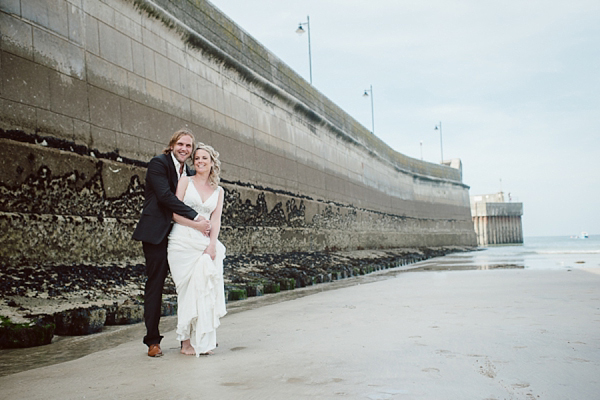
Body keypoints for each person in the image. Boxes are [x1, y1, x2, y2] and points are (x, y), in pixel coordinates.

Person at [132, 129, 211, 358]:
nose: (184, 149)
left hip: (179, 235)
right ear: (172, 145)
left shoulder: (186, 170)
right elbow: (166, 197)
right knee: (155, 285)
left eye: (188, 146)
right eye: (181, 144)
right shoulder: (158, 163)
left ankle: (188, 339)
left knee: (187, 285)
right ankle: (153, 342)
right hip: (156, 233)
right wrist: (196, 217)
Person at [167, 143, 227, 356]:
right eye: (198, 158)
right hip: (182, 241)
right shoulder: (185, 181)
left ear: (212, 163)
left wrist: (212, 245)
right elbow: (174, 212)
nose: (200, 161)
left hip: (204, 243)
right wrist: (196, 224)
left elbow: (216, 220)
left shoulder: (218, 191)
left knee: (204, 289)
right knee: (186, 290)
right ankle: (185, 343)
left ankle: (202, 338)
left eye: (205, 158)